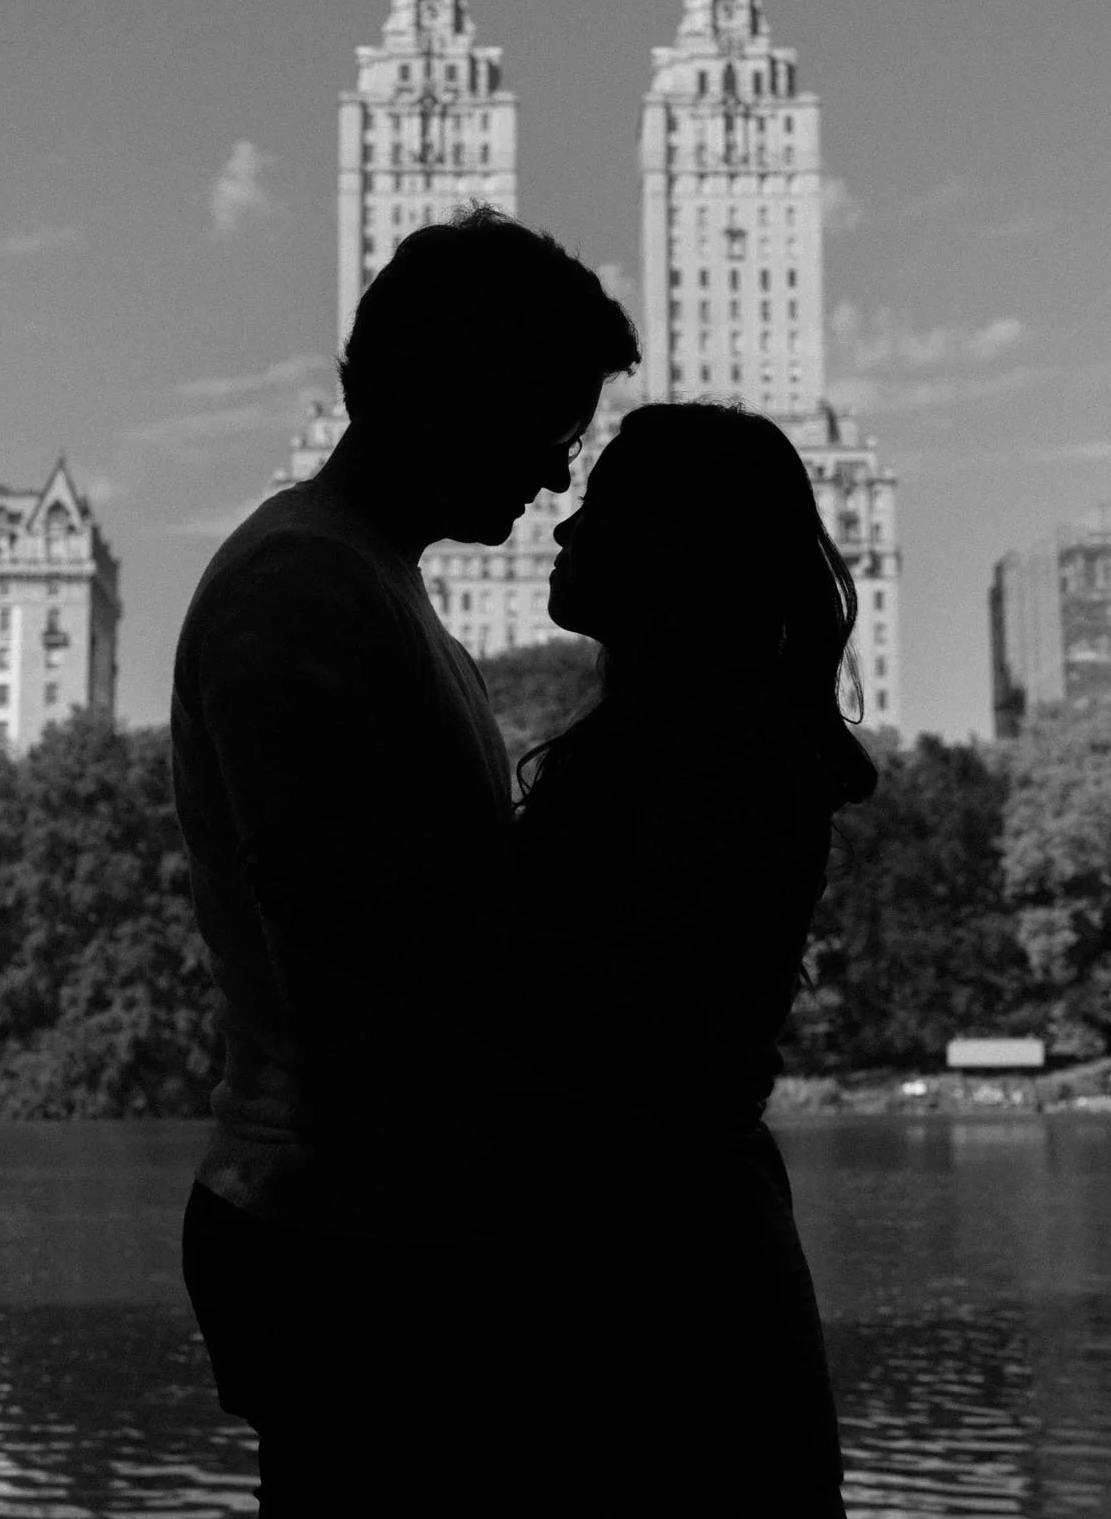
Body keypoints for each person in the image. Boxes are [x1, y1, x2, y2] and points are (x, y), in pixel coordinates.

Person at [176, 208, 696, 1515]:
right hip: (337, 1233)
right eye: (550, 429)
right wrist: (634, 1023)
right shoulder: (301, 584)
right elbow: (333, 899)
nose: (558, 479)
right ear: (448, 391)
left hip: (382, 1223)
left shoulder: (370, 581)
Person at [498, 397, 880, 1512]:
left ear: (686, 549)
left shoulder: (731, 747)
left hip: (664, 1276)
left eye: (604, 508)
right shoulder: (685, 732)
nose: (565, 525)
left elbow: (652, 1015)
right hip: (651, 1248)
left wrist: (404, 915)